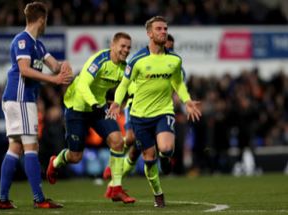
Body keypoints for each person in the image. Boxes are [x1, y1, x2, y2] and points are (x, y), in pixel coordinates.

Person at [107, 16, 201, 208]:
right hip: (140, 117)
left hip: (163, 112)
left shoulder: (174, 60)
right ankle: (158, 194)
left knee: (166, 148)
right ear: (149, 33)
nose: (163, 32)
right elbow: (124, 84)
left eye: (165, 28)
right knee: (149, 159)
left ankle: (166, 158)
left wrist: (187, 100)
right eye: (159, 29)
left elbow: (177, 83)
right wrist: (117, 103)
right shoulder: (137, 60)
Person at [0, 2, 73, 210]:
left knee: (16, 147)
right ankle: (39, 199)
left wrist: (64, 67)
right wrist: (54, 80)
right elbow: (24, 70)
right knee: (31, 146)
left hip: (19, 99)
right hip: (20, 98)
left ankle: (2, 199)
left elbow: (55, 66)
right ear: (41, 20)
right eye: (46, 20)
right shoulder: (22, 40)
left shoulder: (38, 44)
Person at [46, 32, 136, 204]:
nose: (125, 50)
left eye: (128, 47)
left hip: (99, 107)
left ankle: (116, 188)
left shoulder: (125, 67)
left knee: (117, 141)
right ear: (113, 45)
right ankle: (56, 161)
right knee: (75, 156)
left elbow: (128, 88)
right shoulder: (99, 60)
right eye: (122, 46)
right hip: (77, 107)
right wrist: (95, 104)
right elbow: (82, 84)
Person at [102, 33, 179, 180]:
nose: (166, 47)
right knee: (130, 139)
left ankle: (116, 179)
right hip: (135, 106)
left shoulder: (174, 66)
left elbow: (176, 90)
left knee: (139, 151)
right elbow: (127, 84)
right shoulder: (141, 61)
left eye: (170, 46)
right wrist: (120, 102)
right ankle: (113, 169)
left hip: (159, 111)